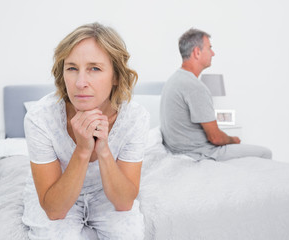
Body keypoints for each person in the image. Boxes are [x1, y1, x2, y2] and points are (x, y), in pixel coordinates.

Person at [22, 23, 148, 240]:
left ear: (116, 76)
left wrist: (104, 150)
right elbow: (54, 210)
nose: (80, 83)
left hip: (105, 193)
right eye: (71, 68)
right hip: (59, 190)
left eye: (95, 68)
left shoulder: (135, 118)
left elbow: (124, 202)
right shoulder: (40, 118)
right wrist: (82, 151)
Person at [160, 28, 271, 161]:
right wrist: (233, 140)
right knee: (265, 153)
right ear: (197, 52)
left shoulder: (173, 80)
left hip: (180, 150)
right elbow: (216, 138)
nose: (213, 53)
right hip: (200, 152)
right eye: (209, 48)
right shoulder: (195, 87)